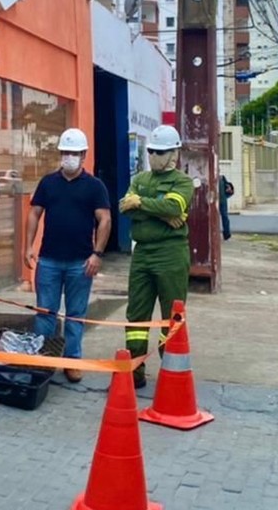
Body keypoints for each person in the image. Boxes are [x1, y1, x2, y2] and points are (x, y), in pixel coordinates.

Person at [24, 128, 111, 383]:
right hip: (49, 260)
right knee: (45, 314)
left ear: (83, 155)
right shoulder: (48, 183)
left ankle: (72, 361)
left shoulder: (94, 187)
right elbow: (34, 213)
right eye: (65, 152)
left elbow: (104, 219)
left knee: (75, 314)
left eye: (74, 153)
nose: (69, 157)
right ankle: (43, 359)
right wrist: (27, 247)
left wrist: (97, 254)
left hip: (80, 262)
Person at [119, 125, 194, 390]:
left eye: (159, 152)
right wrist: (158, 211)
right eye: (151, 151)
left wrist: (142, 203)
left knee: (171, 315)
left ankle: (171, 372)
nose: (154, 156)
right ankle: (135, 372)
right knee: (136, 316)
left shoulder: (182, 182)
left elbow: (175, 206)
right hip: (142, 253)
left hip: (170, 253)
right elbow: (125, 208)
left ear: (174, 154)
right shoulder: (140, 179)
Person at [218, 174, 233, 240]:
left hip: (222, 201)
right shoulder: (219, 179)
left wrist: (229, 189)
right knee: (223, 217)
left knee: (225, 216)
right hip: (216, 201)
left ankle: (227, 234)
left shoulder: (222, 178)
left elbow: (228, 187)